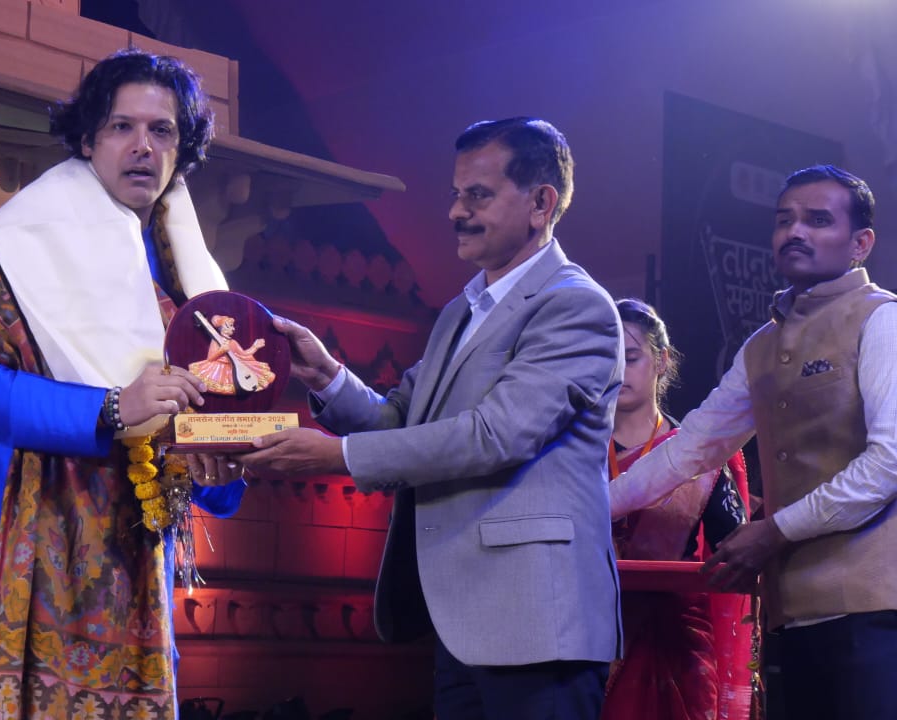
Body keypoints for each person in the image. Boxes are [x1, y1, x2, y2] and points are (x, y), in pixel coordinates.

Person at [242, 117, 623, 720]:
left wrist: (338, 457)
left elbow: (495, 436)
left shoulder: (575, 305)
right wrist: (326, 376)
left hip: (538, 625)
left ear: (541, 203)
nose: (455, 212)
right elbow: (400, 419)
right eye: (455, 193)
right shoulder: (461, 311)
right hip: (462, 624)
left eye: (478, 195)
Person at [0, 49, 247, 720]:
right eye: (122, 126)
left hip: (134, 552)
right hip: (27, 525)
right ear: (89, 139)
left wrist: (216, 462)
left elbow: (208, 421)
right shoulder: (20, 242)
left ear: (182, 152)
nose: (142, 146)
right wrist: (111, 408)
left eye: (162, 131)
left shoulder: (186, 272)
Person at [608, 164, 897, 720]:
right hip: (788, 612)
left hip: (874, 612)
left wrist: (774, 531)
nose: (796, 232)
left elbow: (887, 465)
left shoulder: (882, 320)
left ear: (861, 243)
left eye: (818, 220)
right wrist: (588, 510)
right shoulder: (762, 344)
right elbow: (692, 447)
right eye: (785, 220)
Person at [602, 298, 751, 720]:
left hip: (676, 647)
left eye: (631, 357)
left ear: (662, 361)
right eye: (608, 358)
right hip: (585, 638)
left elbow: (737, 555)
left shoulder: (701, 458)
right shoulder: (573, 452)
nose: (618, 370)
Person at [188, 314, 276, 394]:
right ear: (222, 327)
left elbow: (244, 354)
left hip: (235, 367)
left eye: (232, 326)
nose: (233, 328)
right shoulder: (215, 341)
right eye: (230, 326)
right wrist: (221, 351)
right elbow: (210, 358)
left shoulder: (233, 342)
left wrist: (255, 347)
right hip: (219, 368)